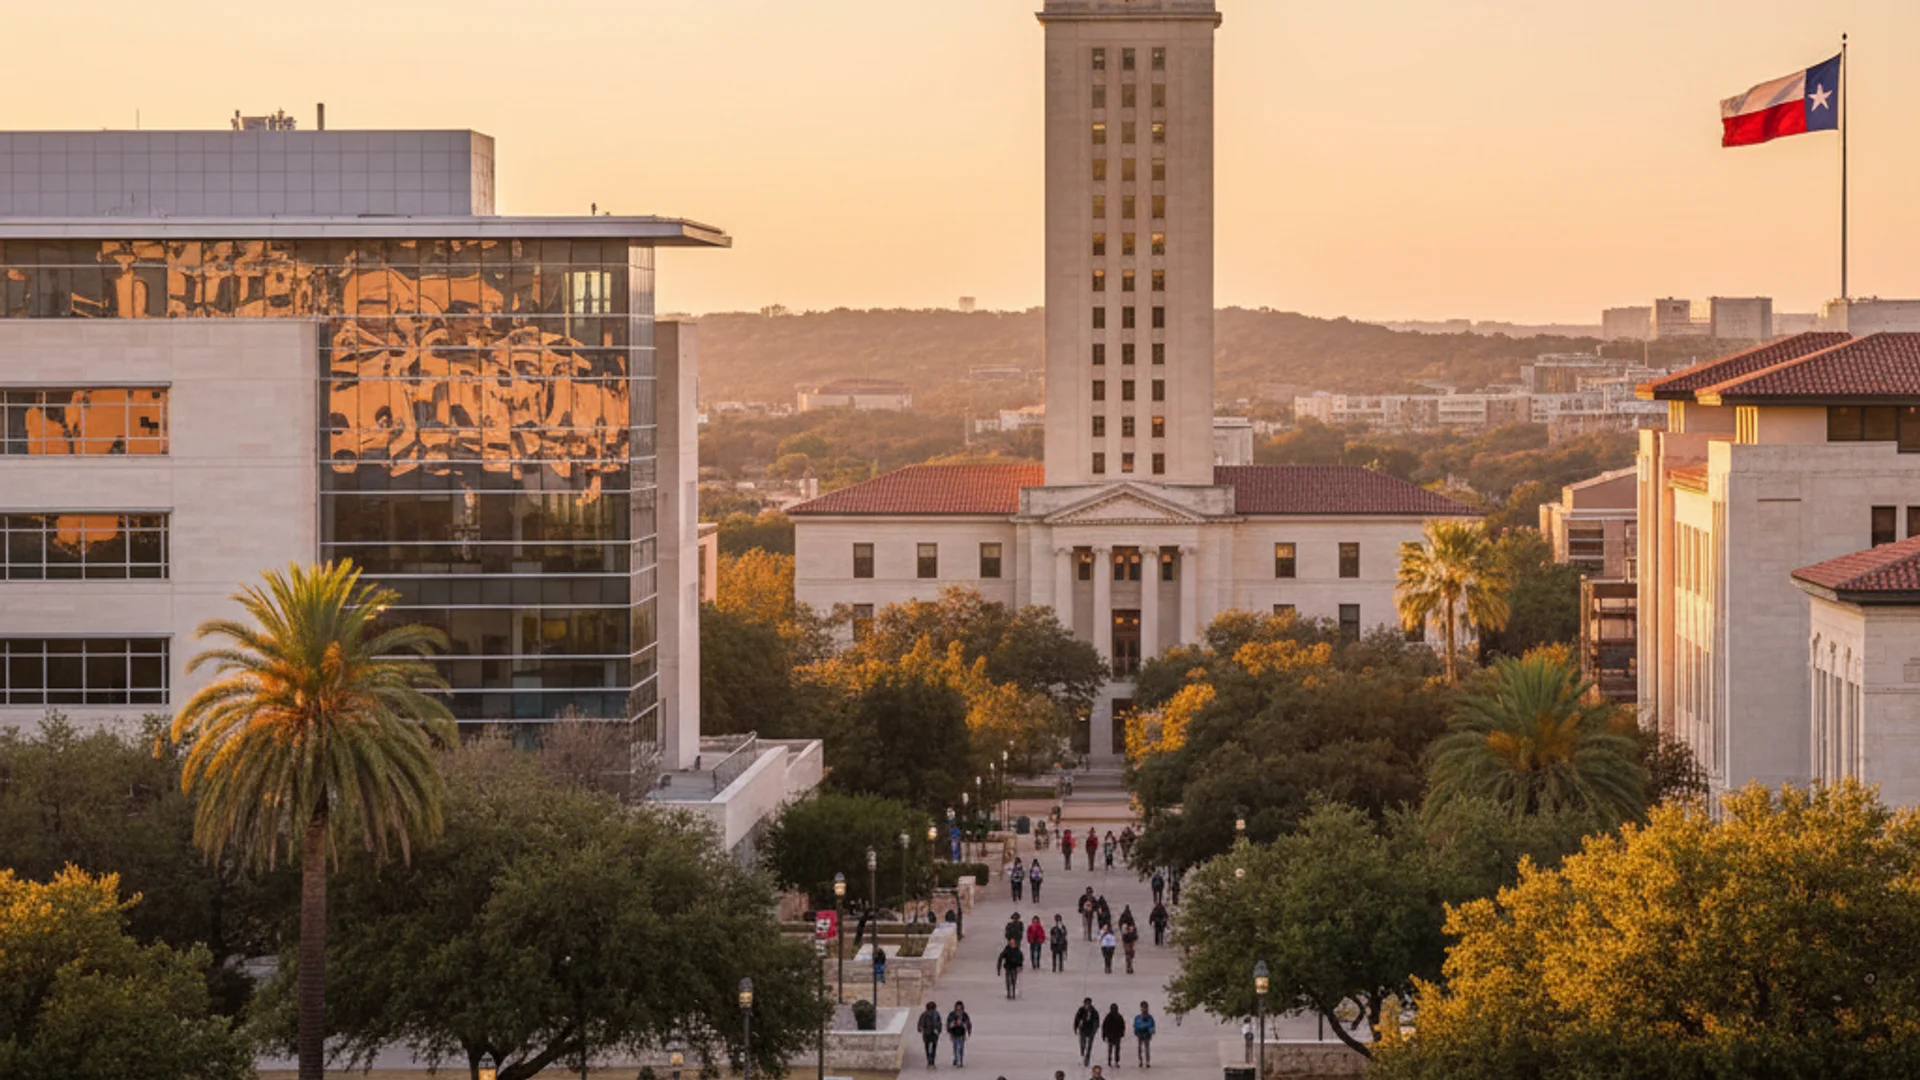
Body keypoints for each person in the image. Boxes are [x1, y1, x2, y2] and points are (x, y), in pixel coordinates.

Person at [1073, 997, 1102, 1066]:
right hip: (1083, 1030)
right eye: (1086, 1003)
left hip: (1091, 1030)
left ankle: (1087, 1060)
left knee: (1089, 1046)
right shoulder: (1081, 1010)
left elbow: (1097, 1021)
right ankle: (1082, 1056)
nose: (1087, 1005)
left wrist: (1095, 1030)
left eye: (1088, 1003)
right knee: (1082, 1044)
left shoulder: (1094, 1011)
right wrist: (1075, 1027)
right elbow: (1077, 1019)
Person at [917, 1001, 943, 1068]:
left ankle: (932, 1061)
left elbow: (939, 1023)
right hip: (927, 1034)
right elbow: (920, 1023)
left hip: (933, 1034)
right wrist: (920, 1029)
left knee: (933, 1047)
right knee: (928, 1047)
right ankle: (929, 1061)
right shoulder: (924, 1015)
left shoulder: (936, 1014)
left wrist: (939, 1030)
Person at [947, 1001, 972, 1066]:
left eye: (960, 1007)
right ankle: (956, 1058)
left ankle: (960, 1060)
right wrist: (949, 1030)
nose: (958, 1009)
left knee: (961, 1047)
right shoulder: (952, 1014)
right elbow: (948, 1023)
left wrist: (968, 1031)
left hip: (961, 1033)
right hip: (954, 1033)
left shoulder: (964, 1015)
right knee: (955, 1047)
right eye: (957, 1007)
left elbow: (968, 1023)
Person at [1134, 1002, 1156, 1068]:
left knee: (1147, 1048)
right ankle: (1140, 1061)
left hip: (1147, 1035)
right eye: (1142, 1007)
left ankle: (1147, 1062)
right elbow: (1136, 1025)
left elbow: (1152, 1025)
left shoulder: (1150, 1017)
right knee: (1140, 1048)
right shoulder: (1138, 1017)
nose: (1144, 1009)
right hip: (1140, 1034)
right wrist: (1136, 1031)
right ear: (1141, 1008)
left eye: (1145, 1007)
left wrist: (1151, 1030)